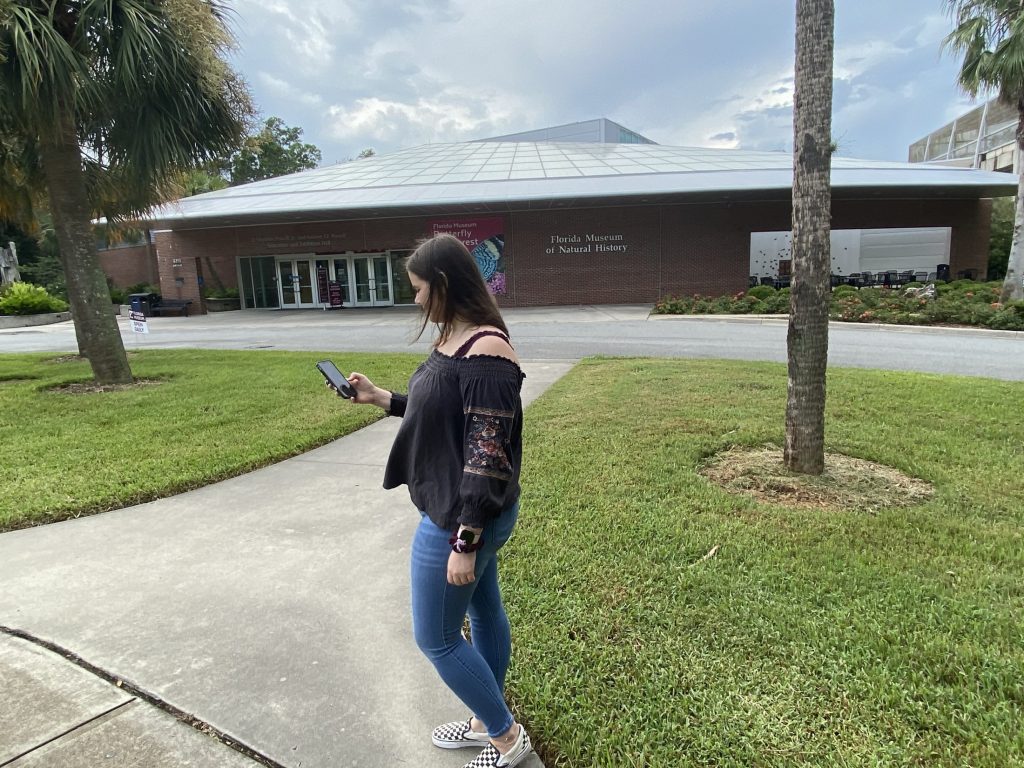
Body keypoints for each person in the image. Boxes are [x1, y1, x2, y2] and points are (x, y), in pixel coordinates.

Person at [336, 233, 533, 768]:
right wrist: (381, 398)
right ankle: (484, 716)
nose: (416, 300)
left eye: (420, 289)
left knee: (437, 638)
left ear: (443, 284)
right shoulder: (455, 337)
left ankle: (506, 738)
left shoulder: (487, 350)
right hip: (460, 513)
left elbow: (486, 456)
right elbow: (442, 416)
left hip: (462, 518)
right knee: (486, 613)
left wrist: (464, 541)